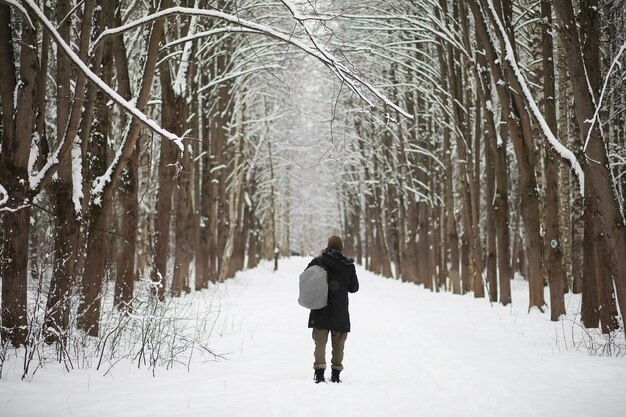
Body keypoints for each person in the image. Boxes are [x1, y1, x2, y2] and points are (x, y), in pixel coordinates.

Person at [304, 235, 359, 383]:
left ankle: (319, 373)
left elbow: (306, 279)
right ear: (341, 249)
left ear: (328, 246)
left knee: (320, 343)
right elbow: (354, 288)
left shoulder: (318, 262)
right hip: (340, 311)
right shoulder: (348, 266)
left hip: (320, 309)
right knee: (339, 344)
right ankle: (336, 375)